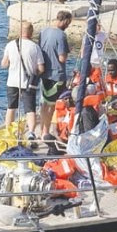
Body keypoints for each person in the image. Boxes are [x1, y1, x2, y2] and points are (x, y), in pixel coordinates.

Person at [0, 21, 45, 146]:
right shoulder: (35, 47)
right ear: (31, 33)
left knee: (11, 107)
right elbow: (41, 68)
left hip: (12, 81)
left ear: (20, 32)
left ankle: (8, 131)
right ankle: (31, 132)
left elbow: (4, 64)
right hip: (28, 83)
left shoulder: (10, 45)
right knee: (30, 109)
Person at [39, 10, 72, 141]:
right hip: (56, 75)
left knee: (44, 104)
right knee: (53, 105)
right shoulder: (61, 36)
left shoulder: (43, 32)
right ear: (64, 20)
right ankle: (46, 132)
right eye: (68, 23)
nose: (68, 25)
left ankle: (42, 129)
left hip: (44, 73)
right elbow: (62, 58)